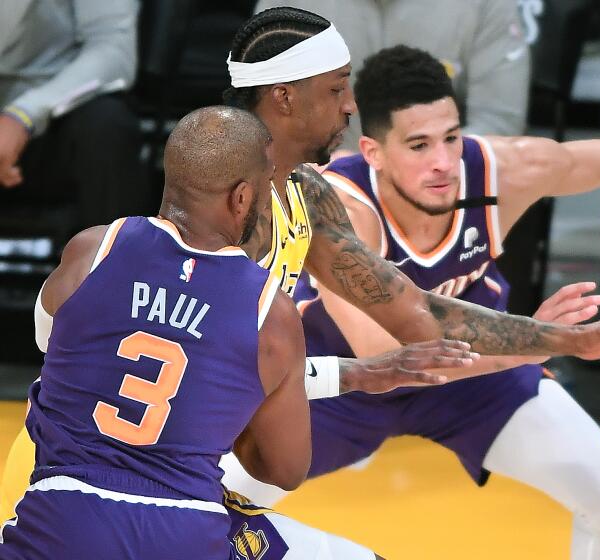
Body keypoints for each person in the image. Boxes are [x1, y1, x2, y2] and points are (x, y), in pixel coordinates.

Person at [0, 6, 600, 520]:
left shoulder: (306, 196)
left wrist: (582, 338)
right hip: (108, 479)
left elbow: (417, 313)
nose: (352, 108)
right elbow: (242, 375)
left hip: (165, 460)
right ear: (285, 98)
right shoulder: (229, 209)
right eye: (337, 90)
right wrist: (356, 377)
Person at [280, 45, 600, 560]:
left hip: (478, 376)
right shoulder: (340, 208)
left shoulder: (501, 170)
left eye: (451, 138)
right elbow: (385, 354)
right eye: (418, 146)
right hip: (344, 382)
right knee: (212, 495)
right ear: (373, 152)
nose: (443, 163)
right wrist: (532, 345)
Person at [0, 106, 390, 559]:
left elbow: (49, 342)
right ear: (242, 197)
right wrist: (226, 406)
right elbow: (284, 470)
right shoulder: (270, 311)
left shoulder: (92, 250)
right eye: (268, 187)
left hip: (61, 518)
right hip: (183, 530)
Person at [254, 0, 531, 153]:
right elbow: (262, 122)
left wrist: (417, 164)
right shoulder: (283, 5)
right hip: (316, 193)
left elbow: (499, 123)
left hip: (444, 189)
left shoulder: (486, 5)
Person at [0, 0, 150, 231]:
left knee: (106, 124)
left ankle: (114, 262)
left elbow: (113, 51)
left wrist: (24, 114)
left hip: (50, 116)